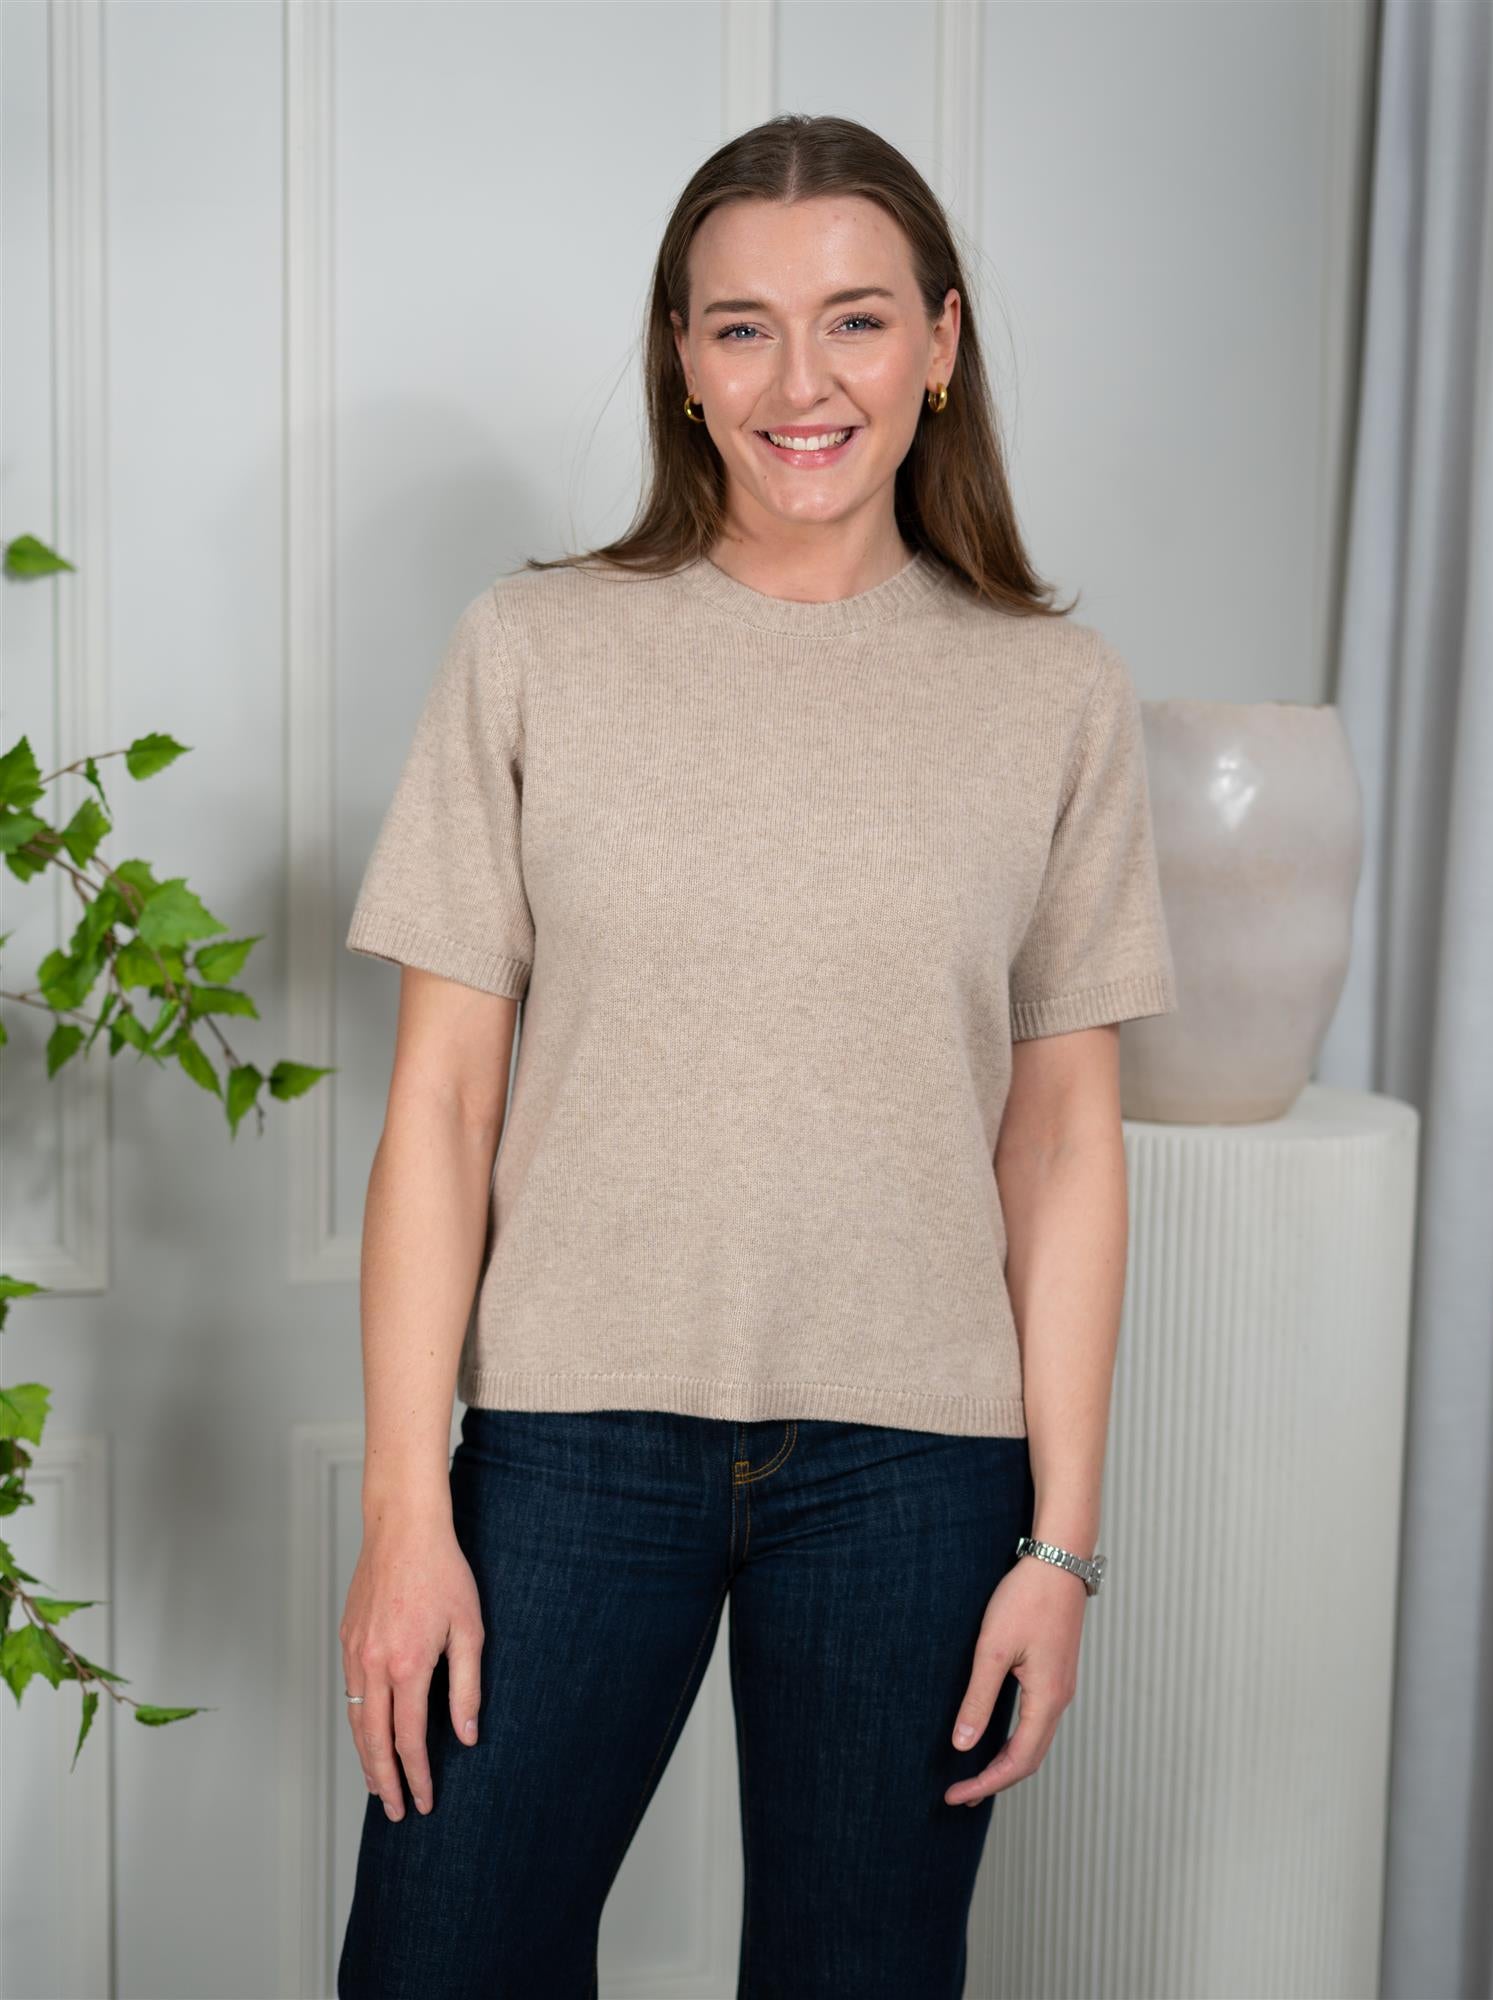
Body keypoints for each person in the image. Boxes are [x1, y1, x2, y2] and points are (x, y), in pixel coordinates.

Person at [335, 112, 1177, 2000]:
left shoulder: (1054, 695)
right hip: (569, 1448)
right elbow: (441, 1108)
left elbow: (1062, 1143)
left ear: (940, 344)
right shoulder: (532, 648)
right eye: (743, 328)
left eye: (857, 320)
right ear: (681, 361)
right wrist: (406, 1514)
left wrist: (1061, 1549)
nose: (804, 383)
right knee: (439, 1963)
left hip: (916, 1476)